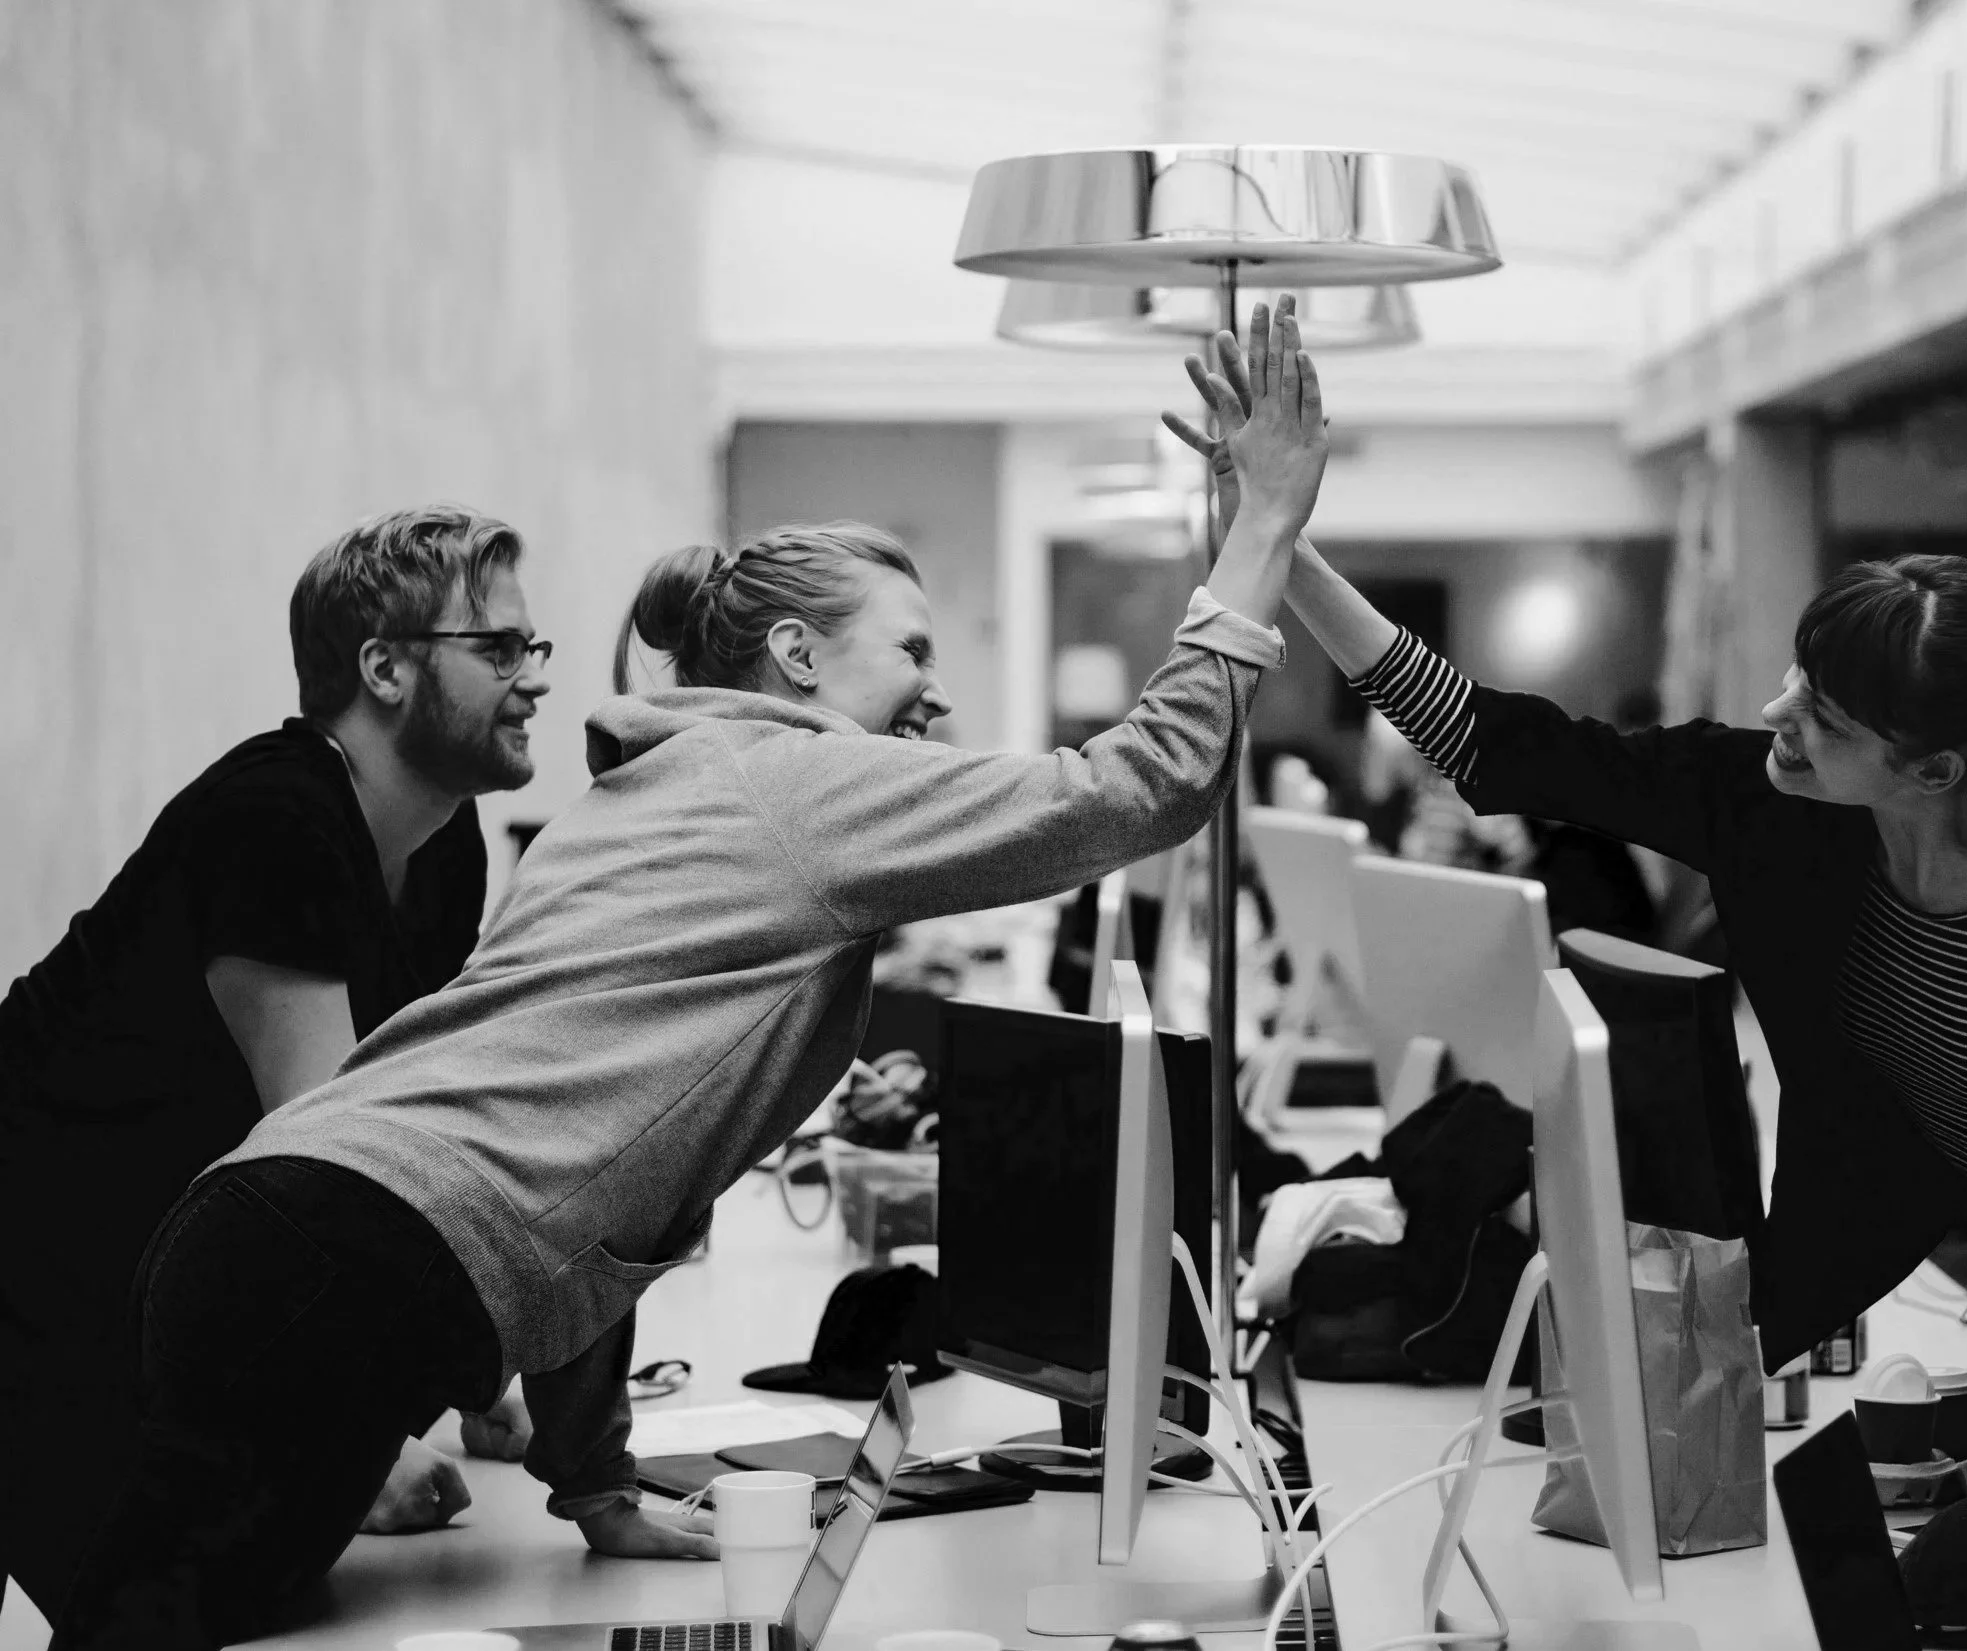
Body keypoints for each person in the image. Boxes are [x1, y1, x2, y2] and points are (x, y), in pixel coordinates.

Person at [49, 316, 1326, 1650]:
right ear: (794, 661)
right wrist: (1261, 535)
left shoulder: (648, 792)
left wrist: (594, 1478)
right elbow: (1134, 787)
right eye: (911, 653)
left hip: (272, 1235)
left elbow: (599, 1185)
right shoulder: (801, 786)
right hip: (346, 1270)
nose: (936, 698)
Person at [1170, 301, 1967, 1611]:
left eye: (1822, 715)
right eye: (1795, 681)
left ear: (1925, 769)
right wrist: (1279, 546)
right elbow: (1497, 742)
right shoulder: (1776, 805)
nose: (1775, 717)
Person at [0, 506, 551, 1623]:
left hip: (144, 1276)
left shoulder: (442, 848)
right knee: (167, 1602)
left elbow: (416, 1121)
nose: (534, 677)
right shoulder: (275, 819)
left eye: (533, 648)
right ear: (384, 668)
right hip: (36, 1281)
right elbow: (336, 1176)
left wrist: (488, 1383)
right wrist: (398, 1424)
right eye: (498, 649)